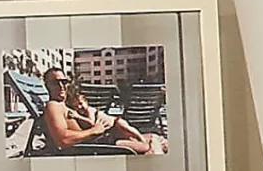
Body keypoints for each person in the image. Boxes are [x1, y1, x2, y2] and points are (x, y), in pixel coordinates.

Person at [27, 63, 166, 157]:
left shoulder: (64, 106)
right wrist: (94, 130)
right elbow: (62, 140)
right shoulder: (53, 106)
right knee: (150, 146)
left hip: (101, 139)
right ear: (46, 85)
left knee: (154, 137)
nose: (61, 86)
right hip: (97, 145)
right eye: (55, 82)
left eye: (64, 81)